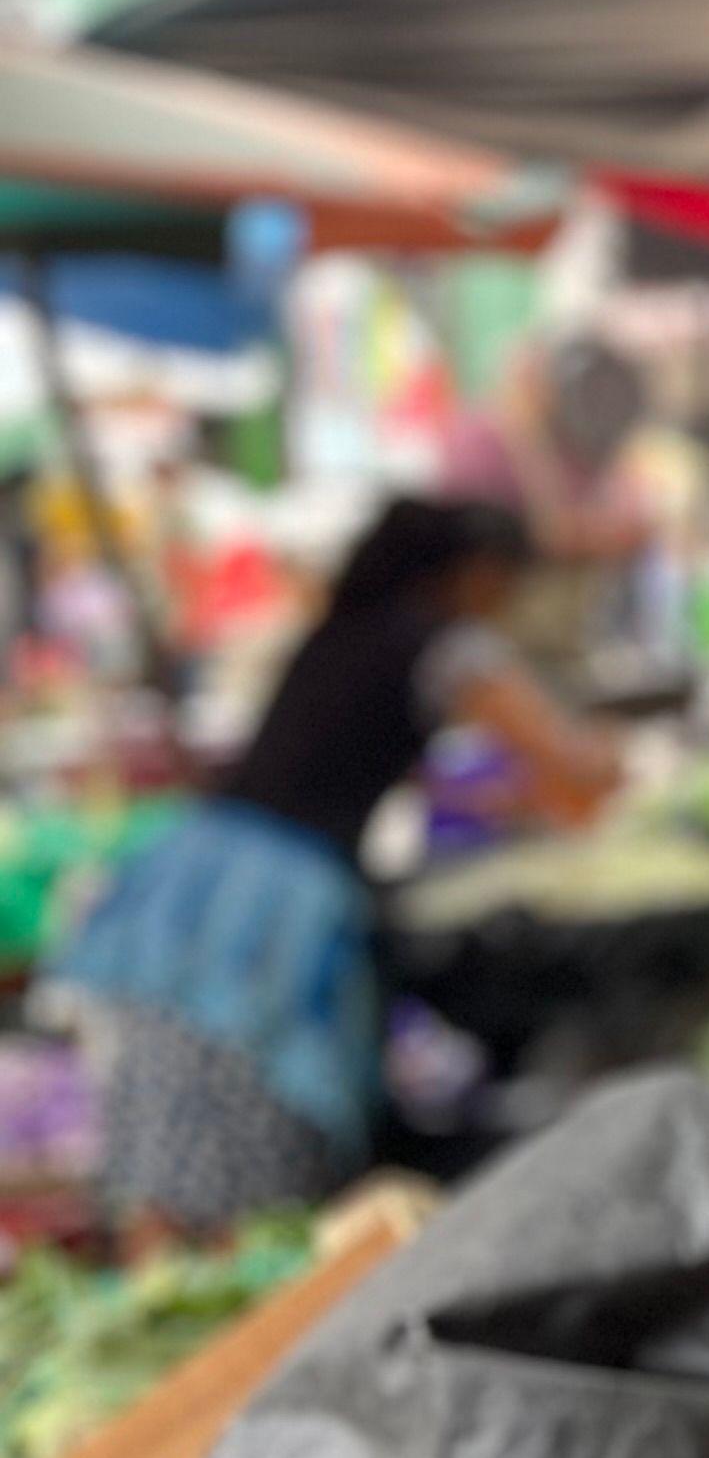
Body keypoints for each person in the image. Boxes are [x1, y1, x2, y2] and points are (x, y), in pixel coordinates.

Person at [51, 496, 617, 1239]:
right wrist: (611, 762)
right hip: (269, 907)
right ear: (477, 573)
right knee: (261, 1148)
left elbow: (365, 757)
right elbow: (577, 768)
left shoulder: (347, 631)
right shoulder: (447, 645)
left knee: (183, 1136)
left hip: (200, 874)